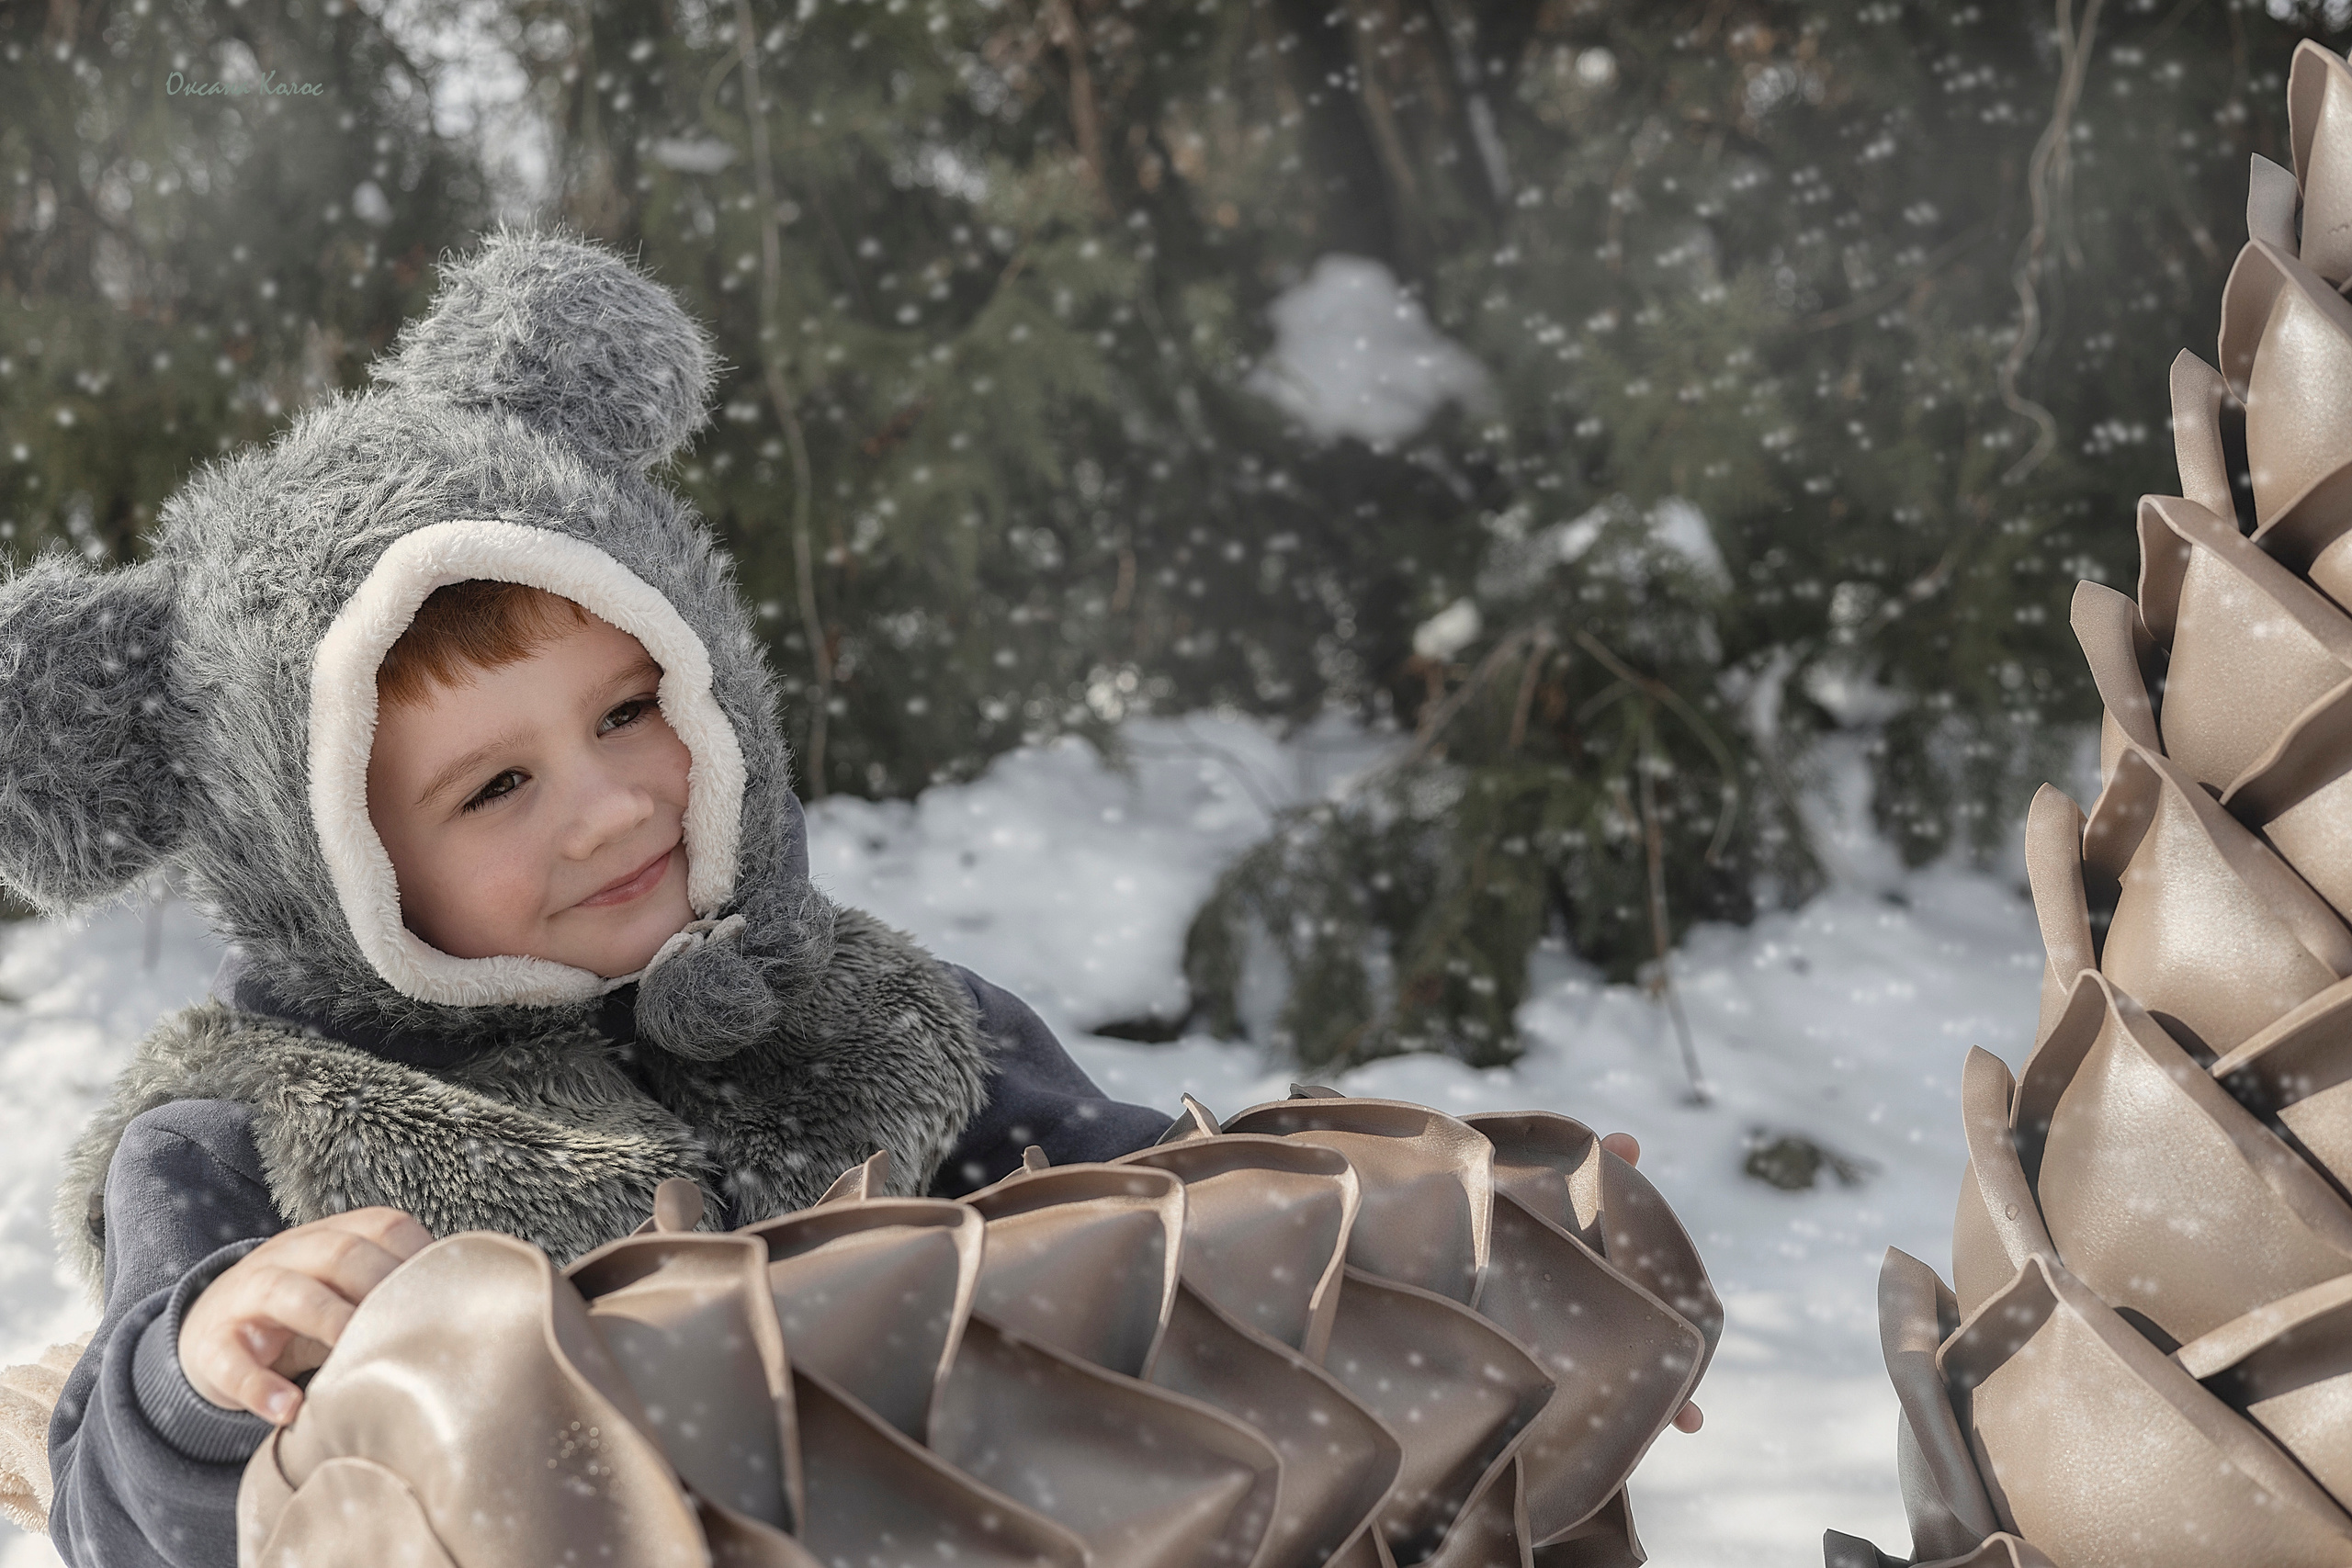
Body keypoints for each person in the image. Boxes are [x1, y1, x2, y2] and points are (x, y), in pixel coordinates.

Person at [7, 231, 1690, 1568]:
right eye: (496, 787)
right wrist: (202, 1372)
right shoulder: (256, 1143)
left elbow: (1144, 1237)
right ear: (332, 869)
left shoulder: (875, 1018)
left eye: (627, 709)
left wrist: (1433, 1268)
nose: (609, 805)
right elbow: (121, 1510)